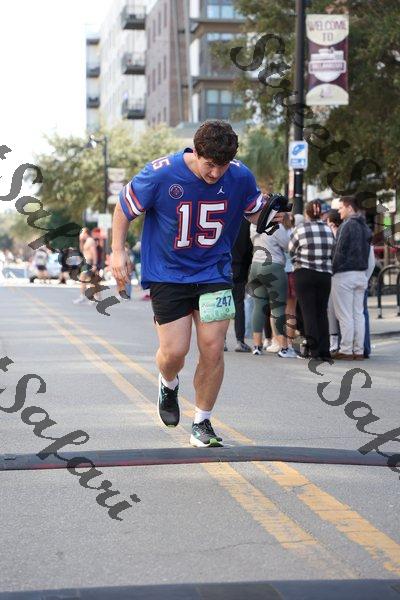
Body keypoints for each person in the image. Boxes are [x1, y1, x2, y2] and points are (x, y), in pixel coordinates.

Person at [111, 120, 284, 448]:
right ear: (196, 152)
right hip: (167, 273)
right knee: (175, 351)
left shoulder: (240, 176)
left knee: (213, 348)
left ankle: (202, 422)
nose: (216, 173)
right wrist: (117, 251)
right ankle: (168, 382)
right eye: (210, 165)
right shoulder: (161, 173)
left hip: (215, 272)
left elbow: (253, 212)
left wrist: (271, 215)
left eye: (223, 165)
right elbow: (124, 207)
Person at [289, 200, 334, 360]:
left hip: (304, 273)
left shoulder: (300, 229)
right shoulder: (328, 230)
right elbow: (333, 251)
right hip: (324, 274)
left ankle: (314, 351)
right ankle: (325, 350)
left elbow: (291, 250)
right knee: (322, 312)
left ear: (307, 213)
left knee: (308, 313)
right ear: (321, 213)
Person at [331, 196, 372, 360]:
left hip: (344, 274)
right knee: (358, 314)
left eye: (341, 208)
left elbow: (339, 250)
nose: (339, 211)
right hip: (361, 274)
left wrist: (332, 269)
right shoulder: (365, 227)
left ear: (349, 208)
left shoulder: (346, 225)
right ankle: (359, 350)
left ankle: (346, 350)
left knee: (344, 314)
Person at [249, 220, 291, 356]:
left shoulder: (254, 224)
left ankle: (257, 346)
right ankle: (284, 348)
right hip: (273, 266)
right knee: (277, 307)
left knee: (258, 306)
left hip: (255, 265)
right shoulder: (276, 227)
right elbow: (288, 246)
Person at [230, 218, 253, 352]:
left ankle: (222, 340)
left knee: (222, 304)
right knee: (239, 304)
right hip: (239, 267)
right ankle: (240, 340)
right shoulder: (245, 222)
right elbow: (249, 248)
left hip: (221, 267)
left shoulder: (224, 216)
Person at [73, 228, 98, 304]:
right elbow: (82, 251)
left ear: (86, 233)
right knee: (84, 280)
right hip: (85, 263)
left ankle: (92, 297)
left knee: (90, 280)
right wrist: (81, 241)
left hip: (89, 263)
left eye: (82, 233)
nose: (80, 234)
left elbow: (94, 253)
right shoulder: (86, 241)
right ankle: (84, 296)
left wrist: (94, 264)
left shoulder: (90, 241)